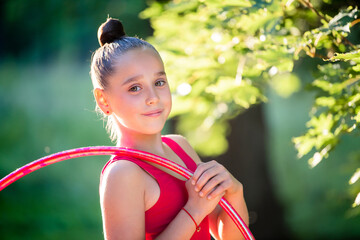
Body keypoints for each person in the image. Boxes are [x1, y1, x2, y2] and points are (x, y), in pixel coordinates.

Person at [91, 17, 249, 240]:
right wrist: (194, 211)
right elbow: (198, 210)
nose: (153, 98)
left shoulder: (180, 146)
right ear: (104, 100)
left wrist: (234, 193)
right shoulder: (123, 174)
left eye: (159, 82)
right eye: (135, 88)